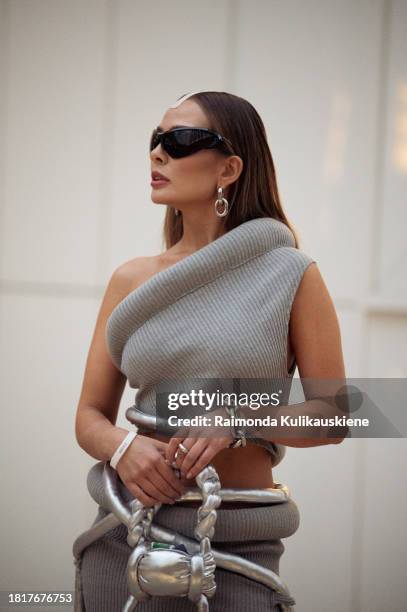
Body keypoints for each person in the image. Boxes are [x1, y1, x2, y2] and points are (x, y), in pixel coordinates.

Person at [74, 90, 346, 611]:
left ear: (230, 169)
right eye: (156, 140)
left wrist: (239, 418)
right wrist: (122, 447)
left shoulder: (293, 274)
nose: (158, 153)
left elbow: (341, 415)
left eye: (179, 141)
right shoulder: (129, 279)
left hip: (238, 546)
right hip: (124, 536)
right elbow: (88, 416)